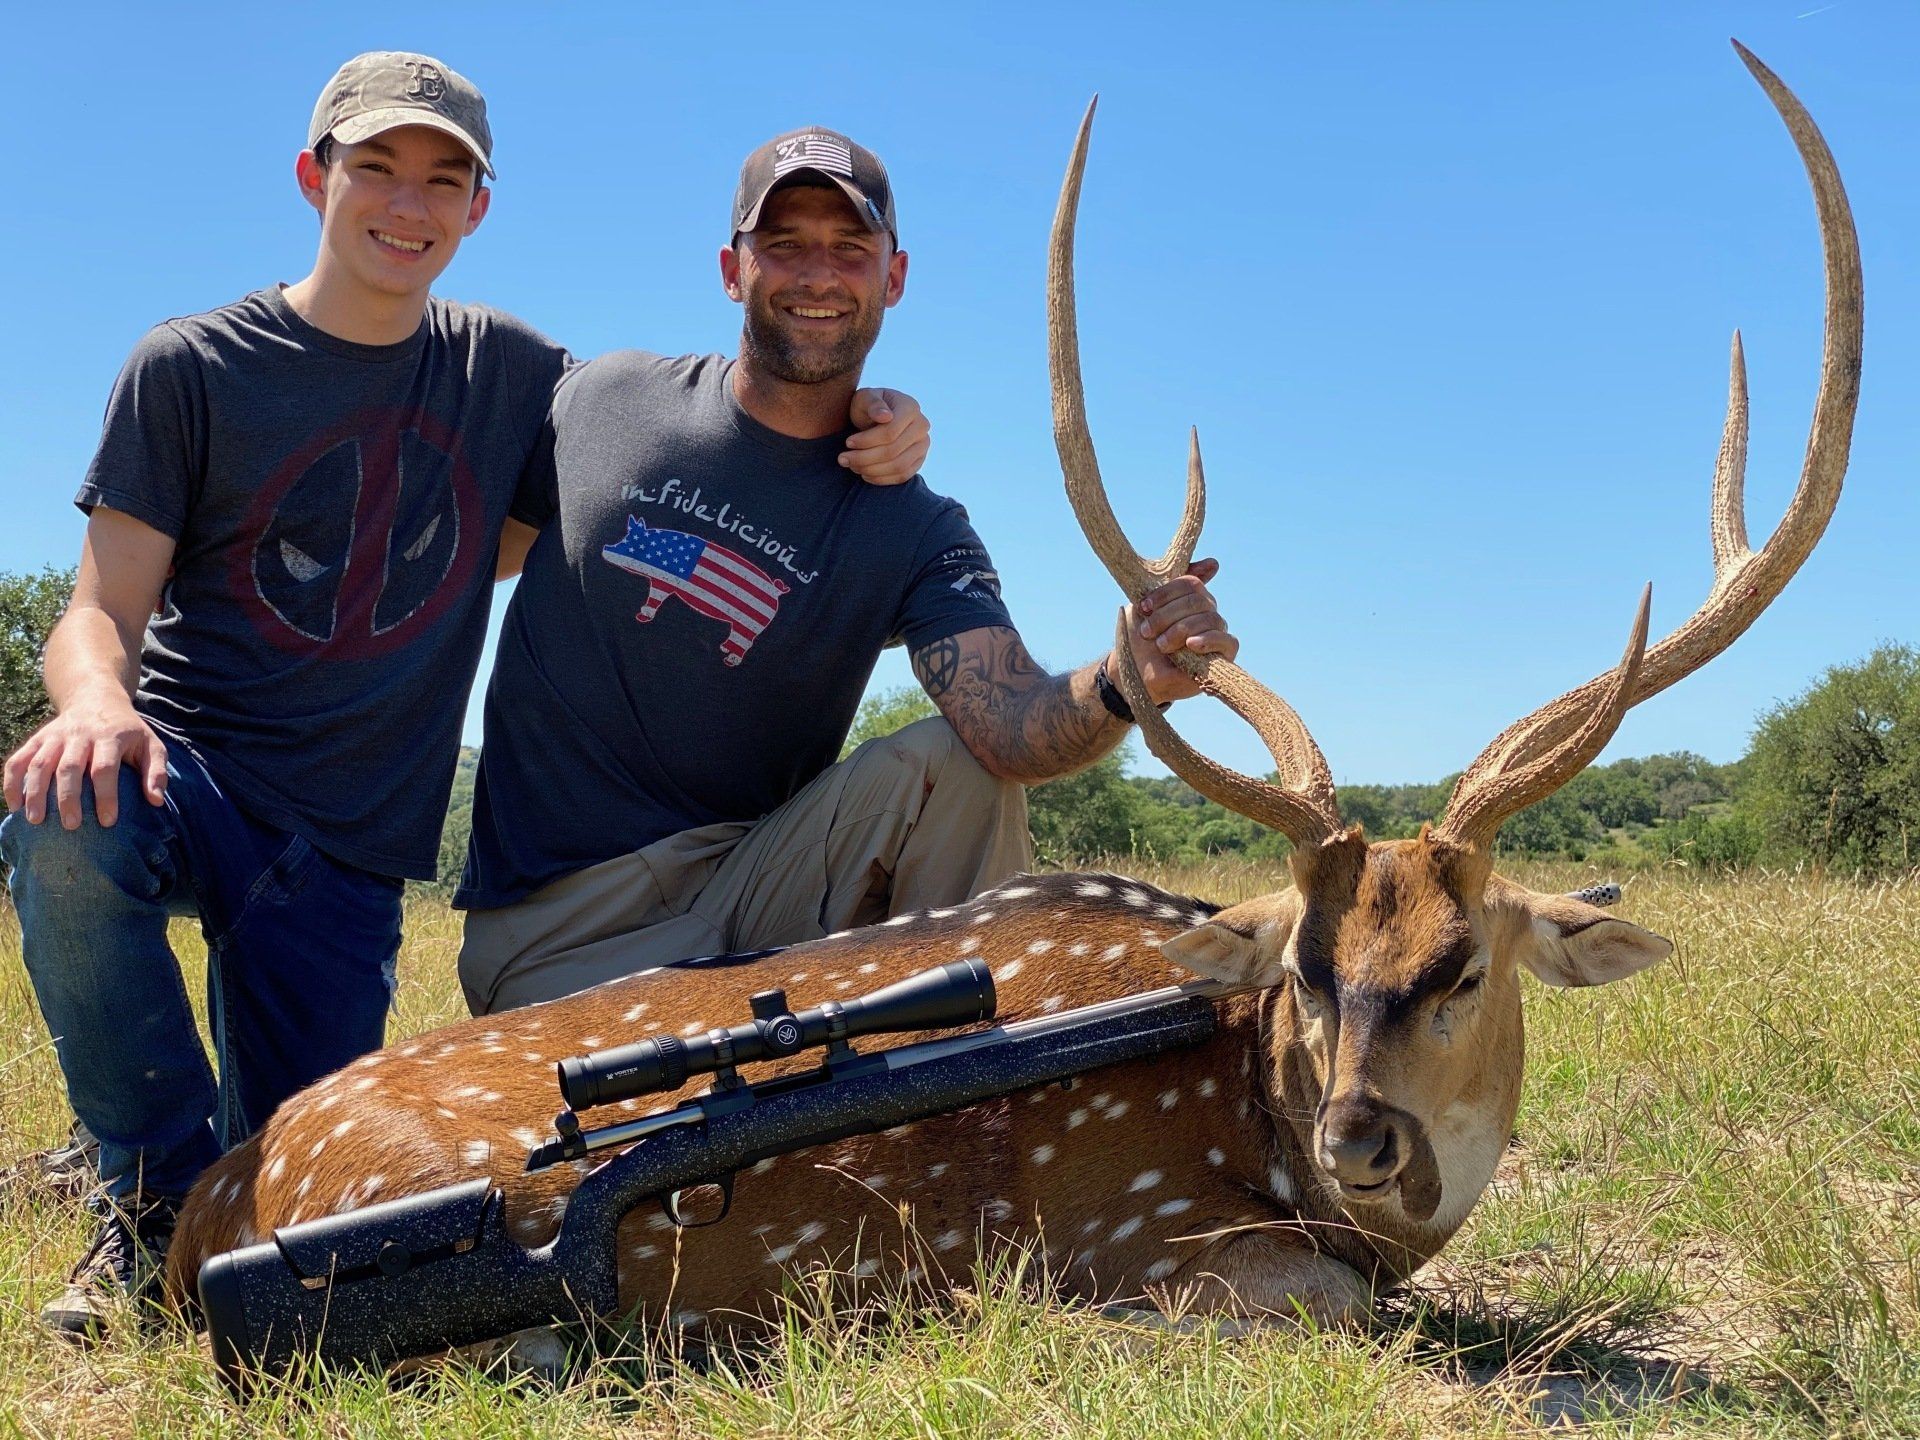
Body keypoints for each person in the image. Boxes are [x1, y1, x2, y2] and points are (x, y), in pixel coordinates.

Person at [0, 55, 930, 1341]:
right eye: (374, 167)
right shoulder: (194, 364)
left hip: (348, 852)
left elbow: (706, 433)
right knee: (64, 824)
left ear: (478, 208)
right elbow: (97, 610)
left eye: (443, 178)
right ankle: (145, 1199)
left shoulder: (513, 376)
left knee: (308, 1211)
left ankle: (218, 1185)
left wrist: (872, 413)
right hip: (191, 779)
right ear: (313, 176)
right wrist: (97, 705)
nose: (406, 202)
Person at [455, 127, 1238, 1014]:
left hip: (751, 903)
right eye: (783, 245)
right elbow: (473, 557)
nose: (817, 274)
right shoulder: (604, 399)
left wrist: (1127, 676)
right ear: (731, 268)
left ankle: (975, 1085)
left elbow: (1010, 722)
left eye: (850, 248)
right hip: (556, 934)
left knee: (965, 766)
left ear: (893, 277)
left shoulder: (913, 526)